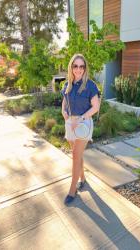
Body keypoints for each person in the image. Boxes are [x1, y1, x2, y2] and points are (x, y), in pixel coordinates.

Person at [61, 53, 100, 205]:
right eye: (75, 66)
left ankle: (72, 190)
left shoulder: (90, 85)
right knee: (76, 154)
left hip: (83, 124)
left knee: (76, 157)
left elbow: (95, 107)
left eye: (81, 66)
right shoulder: (67, 84)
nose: (78, 69)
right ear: (71, 67)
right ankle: (82, 178)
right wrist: (63, 112)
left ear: (85, 68)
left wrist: (81, 118)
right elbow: (65, 101)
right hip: (70, 123)